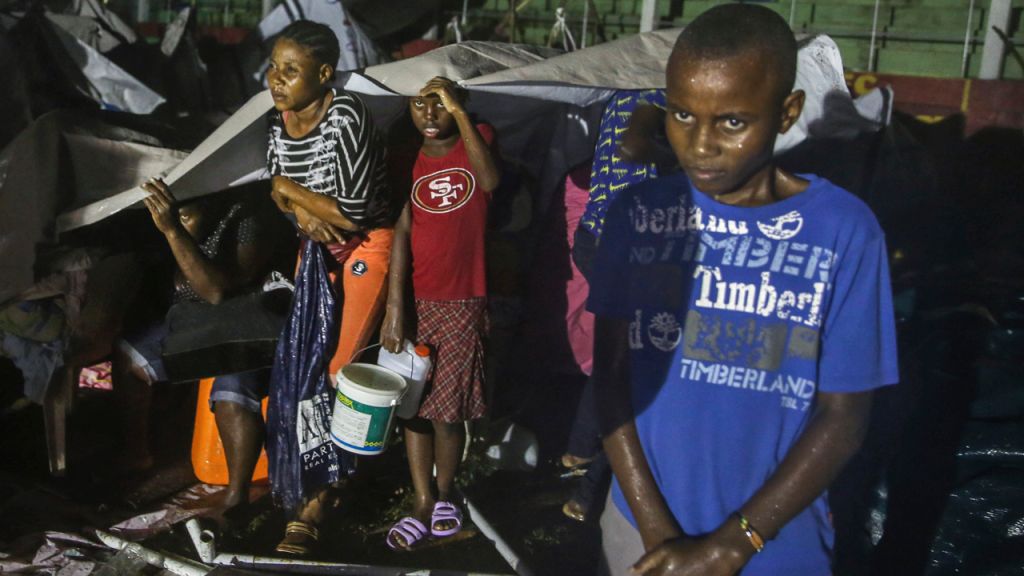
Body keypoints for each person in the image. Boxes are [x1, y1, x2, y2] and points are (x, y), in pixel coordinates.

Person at [589, 5, 899, 575]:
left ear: (787, 112)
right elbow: (610, 378)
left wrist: (734, 543)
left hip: (775, 543)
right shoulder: (637, 215)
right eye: (683, 114)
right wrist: (657, 532)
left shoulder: (843, 231)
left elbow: (844, 416)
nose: (699, 144)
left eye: (732, 122)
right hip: (640, 529)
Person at [264, 20, 396, 555]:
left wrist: (288, 190)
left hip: (365, 245)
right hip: (317, 249)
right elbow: (278, 199)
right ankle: (313, 487)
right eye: (273, 67)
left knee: (340, 369)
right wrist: (299, 210)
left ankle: (328, 495)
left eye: (290, 70)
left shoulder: (346, 114)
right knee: (304, 365)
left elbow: (356, 212)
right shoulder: (277, 122)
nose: (276, 79)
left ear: (324, 74)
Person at [380, 77, 501, 549]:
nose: (429, 115)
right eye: (418, 104)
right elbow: (402, 230)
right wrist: (395, 307)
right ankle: (422, 499)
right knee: (413, 407)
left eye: (440, 104)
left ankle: (446, 493)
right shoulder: (407, 156)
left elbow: (488, 182)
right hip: (417, 300)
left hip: (464, 299)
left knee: (448, 412)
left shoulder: (479, 138)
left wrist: (461, 112)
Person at [115, 179, 277, 513]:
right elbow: (176, 287)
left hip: (246, 318)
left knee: (232, 391)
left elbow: (215, 291)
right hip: (197, 320)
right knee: (129, 356)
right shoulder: (171, 218)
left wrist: (174, 231)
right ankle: (137, 454)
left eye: (187, 216)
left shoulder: (246, 218)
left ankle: (237, 496)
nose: (181, 221)